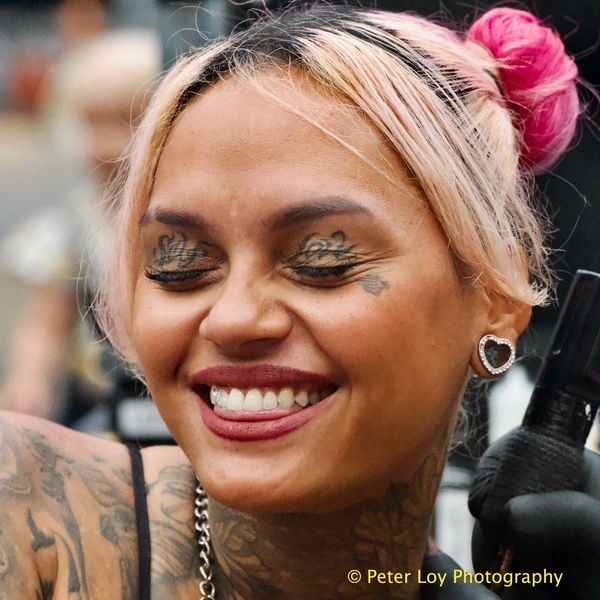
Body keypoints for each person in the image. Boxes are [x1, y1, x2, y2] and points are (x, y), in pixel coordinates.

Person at [0, 4, 598, 599]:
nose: (234, 318)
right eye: (180, 264)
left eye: (322, 260)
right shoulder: (24, 511)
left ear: (495, 295)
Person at [0, 29, 161, 425]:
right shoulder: (75, 227)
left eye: (128, 122)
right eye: (93, 124)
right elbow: (46, 321)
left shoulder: (185, 218)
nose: (108, 145)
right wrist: (29, 378)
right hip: (100, 397)